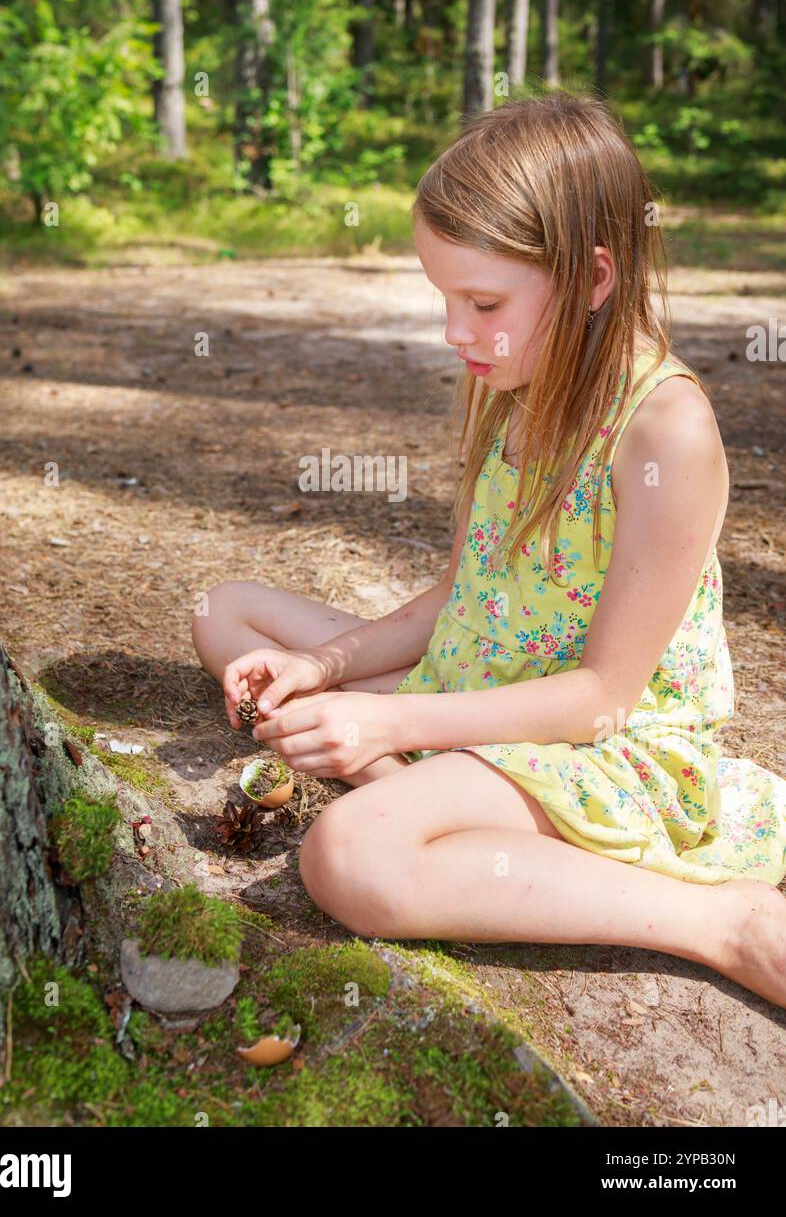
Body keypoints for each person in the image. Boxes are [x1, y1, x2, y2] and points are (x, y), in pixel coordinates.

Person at [192, 92, 786, 1008]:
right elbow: (465, 593)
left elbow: (600, 699)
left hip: (597, 739)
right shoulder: (518, 380)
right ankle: (403, 779)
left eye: (481, 301)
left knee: (350, 855)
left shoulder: (666, 430)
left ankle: (718, 923)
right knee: (224, 613)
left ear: (592, 279)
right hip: (478, 678)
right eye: (445, 298)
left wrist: (383, 722)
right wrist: (322, 665)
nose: (453, 331)